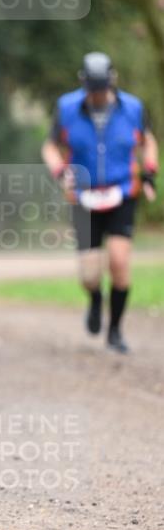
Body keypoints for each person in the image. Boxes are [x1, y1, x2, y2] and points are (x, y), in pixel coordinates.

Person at [42, 52, 158, 353]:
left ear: (112, 81)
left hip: (121, 192)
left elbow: (148, 142)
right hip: (84, 197)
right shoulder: (67, 107)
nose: (98, 96)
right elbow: (50, 147)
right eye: (93, 91)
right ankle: (95, 300)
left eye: (102, 89)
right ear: (84, 85)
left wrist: (149, 175)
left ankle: (115, 331)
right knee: (89, 275)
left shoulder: (132, 107)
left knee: (119, 262)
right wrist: (60, 172)